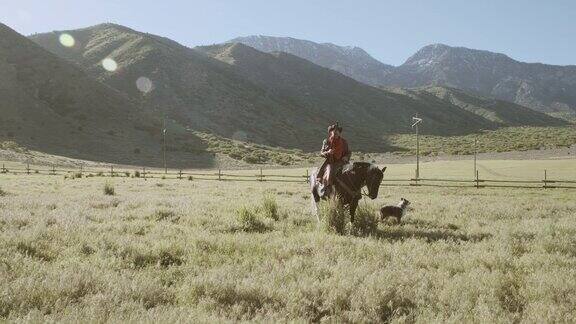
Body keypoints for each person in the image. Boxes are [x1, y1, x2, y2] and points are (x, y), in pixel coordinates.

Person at [316, 123, 351, 197]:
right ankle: (327, 190)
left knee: (352, 172)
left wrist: (346, 157)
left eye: (337, 131)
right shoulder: (326, 141)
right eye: (333, 131)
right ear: (330, 132)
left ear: (339, 132)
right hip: (331, 162)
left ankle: (353, 192)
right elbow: (321, 153)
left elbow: (348, 152)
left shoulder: (344, 142)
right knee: (329, 172)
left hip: (342, 162)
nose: (335, 132)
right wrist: (328, 152)